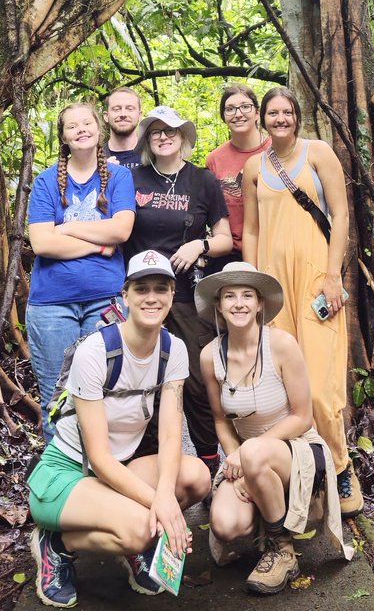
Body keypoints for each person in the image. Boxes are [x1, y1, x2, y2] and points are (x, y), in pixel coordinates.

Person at [27, 250, 211, 607]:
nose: (152, 298)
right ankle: (56, 545)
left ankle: (130, 537)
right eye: (142, 289)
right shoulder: (96, 352)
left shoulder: (173, 350)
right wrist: (161, 504)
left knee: (196, 477)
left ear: (172, 295)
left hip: (118, 470)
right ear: (125, 295)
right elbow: (98, 457)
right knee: (143, 526)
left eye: (161, 288)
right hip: (69, 474)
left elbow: (172, 435)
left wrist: (165, 499)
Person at [241, 87, 363, 516]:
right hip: (273, 288)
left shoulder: (318, 153)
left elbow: (342, 214)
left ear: (296, 116)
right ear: (262, 119)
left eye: (286, 112)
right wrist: (250, 284)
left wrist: (333, 275)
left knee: (323, 385)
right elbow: (252, 230)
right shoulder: (254, 167)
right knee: (285, 387)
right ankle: (307, 475)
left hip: (315, 282)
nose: (280, 119)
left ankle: (341, 465)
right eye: (272, 113)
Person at [196, 262, 353, 596]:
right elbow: (221, 420)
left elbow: (302, 417)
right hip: (247, 455)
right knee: (225, 526)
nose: (238, 303)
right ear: (219, 305)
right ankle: (266, 510)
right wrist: (237, 457)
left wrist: (252, 451)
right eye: (230, 296)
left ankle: (281, 548)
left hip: (295, 447)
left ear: (259, 303)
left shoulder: (281, 344)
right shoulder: (210, 356)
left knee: (256, 456)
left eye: (247, 295)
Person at [126, 106, 232, 479]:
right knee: (141, 381)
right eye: (155, 131)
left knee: (196, 382)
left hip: (186, 295)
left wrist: (199, 246)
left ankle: (208, 461)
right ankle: (148, 465)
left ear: (183, 138)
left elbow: (224, 238)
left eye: (171, 130)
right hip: (141, 295)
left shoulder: (202, 180)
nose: (163, 136)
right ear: (148, 140)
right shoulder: (133, 179)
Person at [26, 102, 135, 440]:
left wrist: (67, 230)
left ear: (98, 128)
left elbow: (121, 231)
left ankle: (102, 478)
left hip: (105, 301)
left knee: (105, 392)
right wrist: (99, 243)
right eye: (72, 126)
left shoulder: (119, 177)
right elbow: (42, 243)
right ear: (64, 137)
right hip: (51, 306)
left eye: (86, 123)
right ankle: (61, 485)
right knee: (57, 398)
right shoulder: (46, 183)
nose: (81, 129)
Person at [205, 83, 269, 272]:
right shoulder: (214, 159)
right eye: (230, 109)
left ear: (257, 113)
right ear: (224, 116)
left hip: (272, 248)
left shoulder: (275, 149)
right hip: (230, 254)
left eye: (245, 107)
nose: (238, 114)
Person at [103, 87, 143, 170]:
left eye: (130, 109)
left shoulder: (153, 155)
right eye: (117, 109)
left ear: (140, 115)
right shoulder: (96, 159)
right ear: (106, 116)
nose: (123, 114)